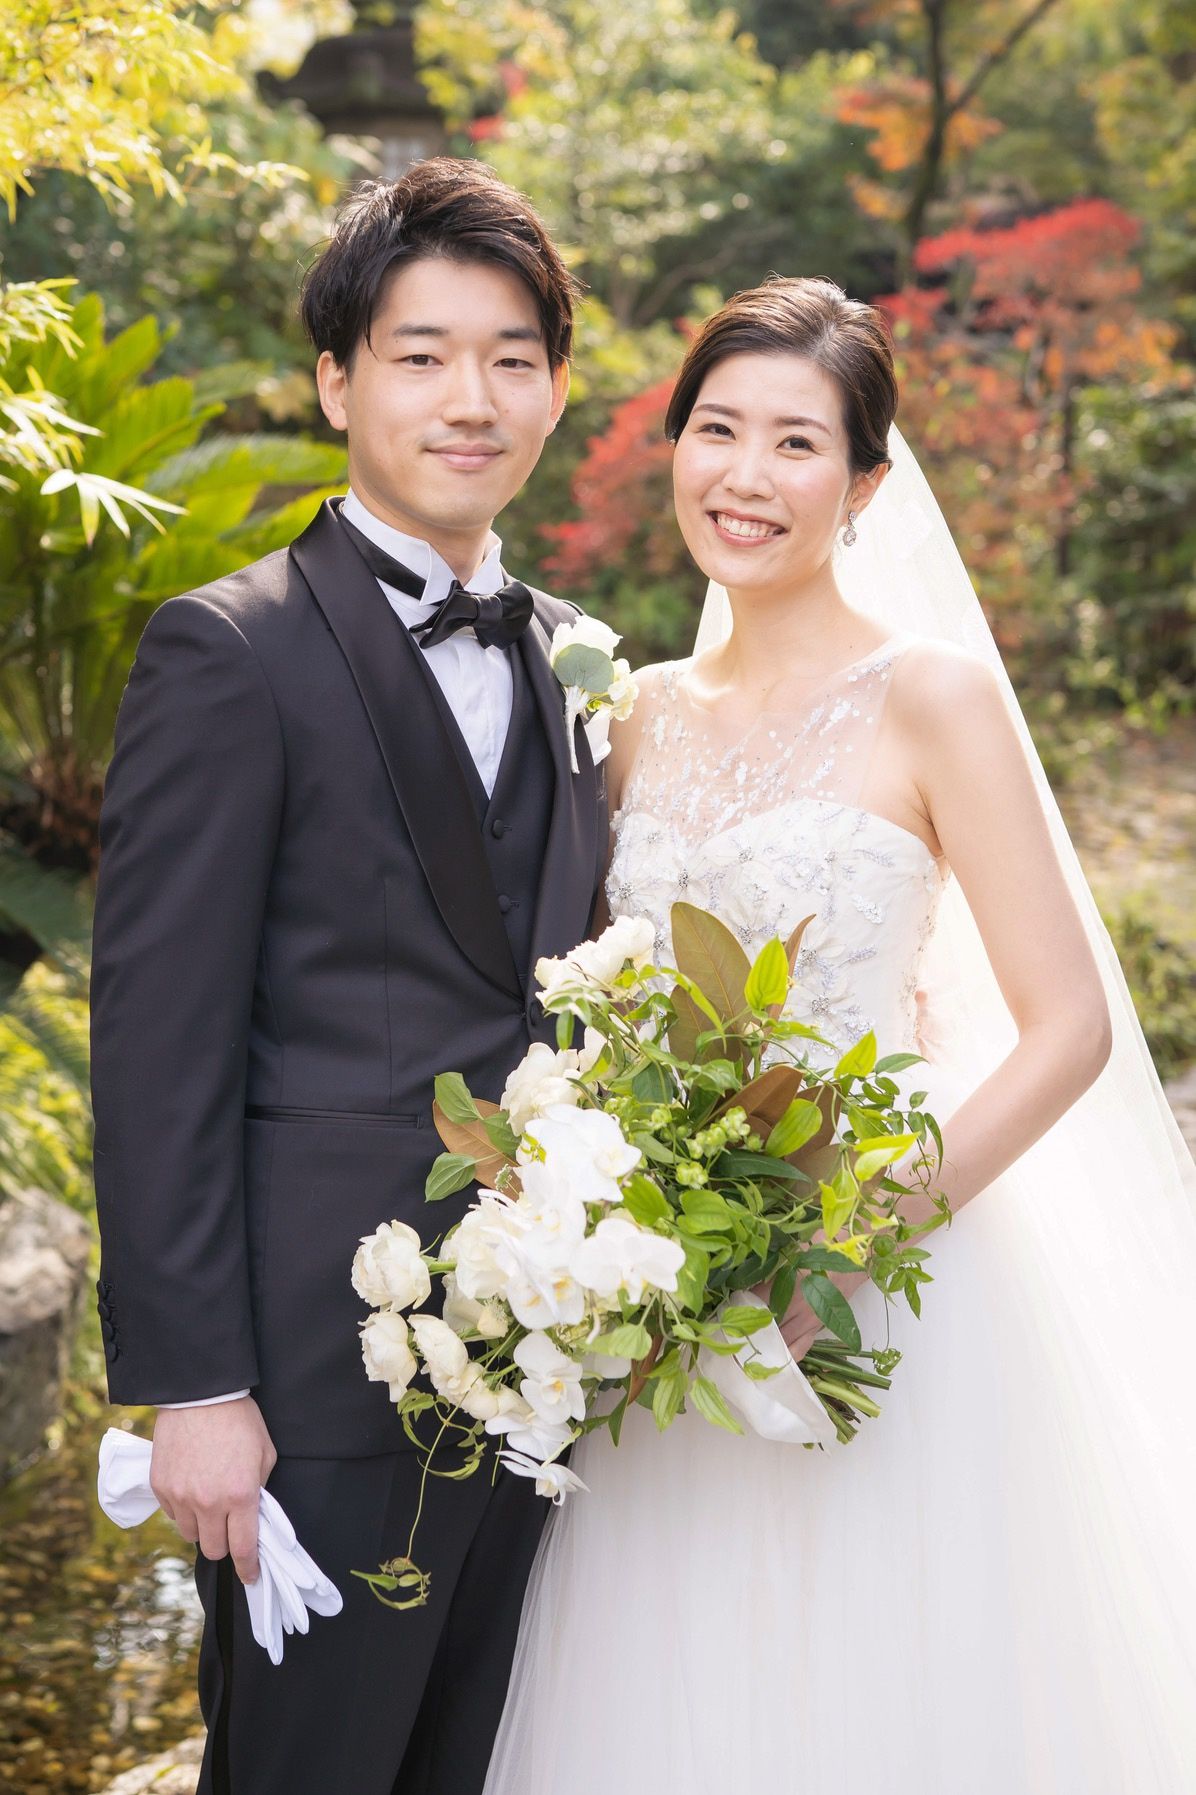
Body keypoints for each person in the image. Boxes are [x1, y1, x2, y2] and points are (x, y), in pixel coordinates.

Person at [483, 277, 1196, 1793]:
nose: (746, 475)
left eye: (796, 443)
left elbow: (1068, 1027)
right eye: (718, 429)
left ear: (866, 484)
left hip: (888, 1277)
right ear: (675, 444)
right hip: (683, 1297)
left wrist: (844, 1248)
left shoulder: (934, 698)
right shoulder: (632, 717)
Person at [89, 158, 607, 1795]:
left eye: (512, 357)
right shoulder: (229, 649)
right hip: (313, 1381)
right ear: (335, 380)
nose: (472, 398)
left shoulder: (573, 657)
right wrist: (195, 1387)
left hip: (546, 1372)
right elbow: (157, 1046)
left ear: (556, 389)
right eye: (421, 354)